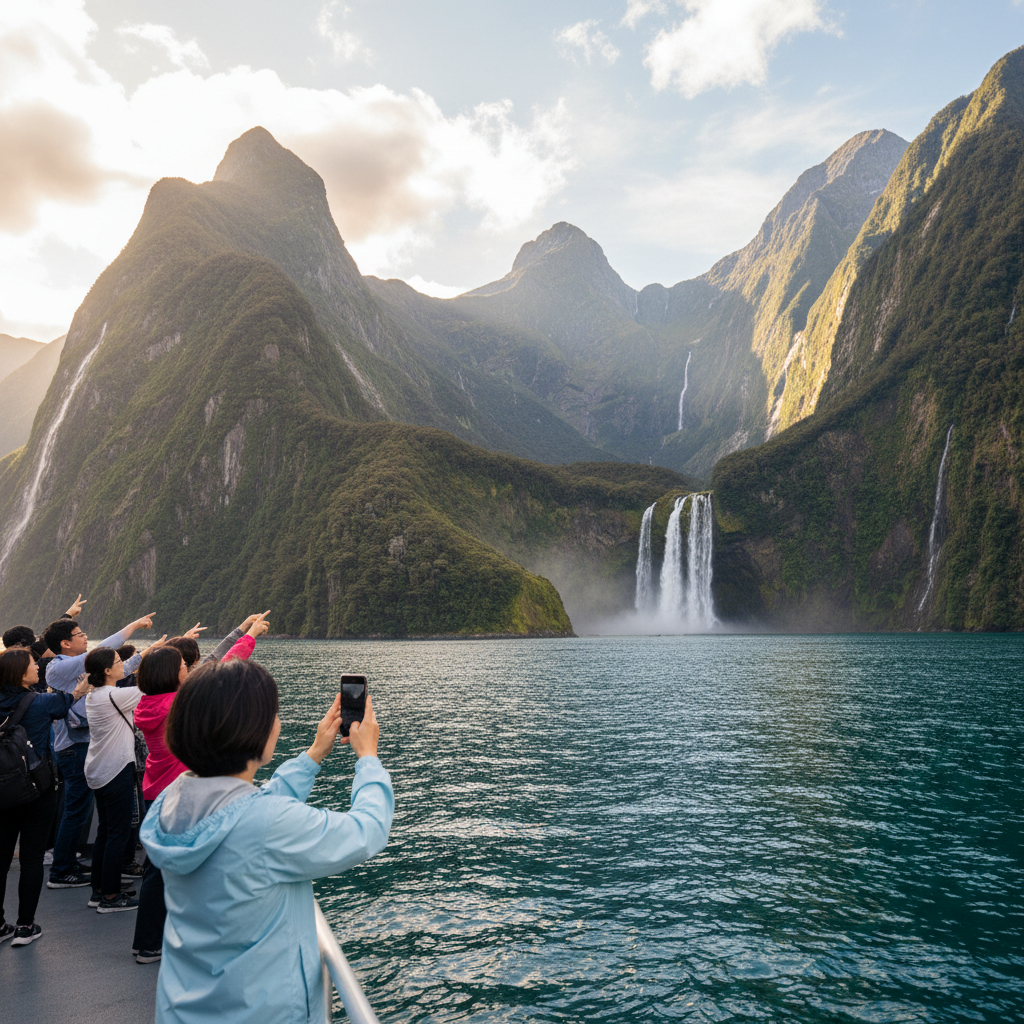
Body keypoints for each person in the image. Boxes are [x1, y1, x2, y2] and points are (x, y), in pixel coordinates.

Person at [141, 659, 393, 1023]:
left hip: (184, 1008)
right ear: (255, 730)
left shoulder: (173, 801)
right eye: (273, 714)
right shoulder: (266, 824)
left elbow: (245, 804)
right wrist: (368, 758)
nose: (278, 722)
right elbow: (366, 831)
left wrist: (313, 755)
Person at [131, 612, 271, 963]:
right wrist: (249, 637)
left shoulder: (150, 703)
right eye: (181, 665)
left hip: (153, 788)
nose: (187, 668)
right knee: (176, 870)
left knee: (156, 870)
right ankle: (157, 943)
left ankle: (147, 939)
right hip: (175, 794)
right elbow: (222, 670)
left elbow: (210, 664)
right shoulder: (172, 703)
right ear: (170, 673)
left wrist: (240, 630)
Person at [43, 612, 156, 889]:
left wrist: (148, 652)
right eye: (80, 634)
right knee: (77, 810)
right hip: (74, 747)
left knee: (84, 812)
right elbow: (107, 651)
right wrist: (133, 625)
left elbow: (117, 666)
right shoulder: (62, 666)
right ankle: (62, 869)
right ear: (65, 643)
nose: (85, 637)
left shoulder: (82, 676)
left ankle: (72, 866)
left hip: (78, 746)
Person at [0, 648, 89, 946]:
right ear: (20, 673)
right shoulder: (40, 702)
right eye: (31, 665)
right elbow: (69, 700)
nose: (37, 667)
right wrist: (83, 685)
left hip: (2, 789)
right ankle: (25, 926)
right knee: (32, 858)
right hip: (36, 789)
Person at [82, 646, 152, 912]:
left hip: (98, 770)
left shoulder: (95, 695)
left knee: (106, 831)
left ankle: (99, 889)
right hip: (116, 769)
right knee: (119, 834)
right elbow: (152, 686)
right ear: (107, 671)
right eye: (118, 661)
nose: (124, 664)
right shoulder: (115, 695)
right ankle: (111, 897)